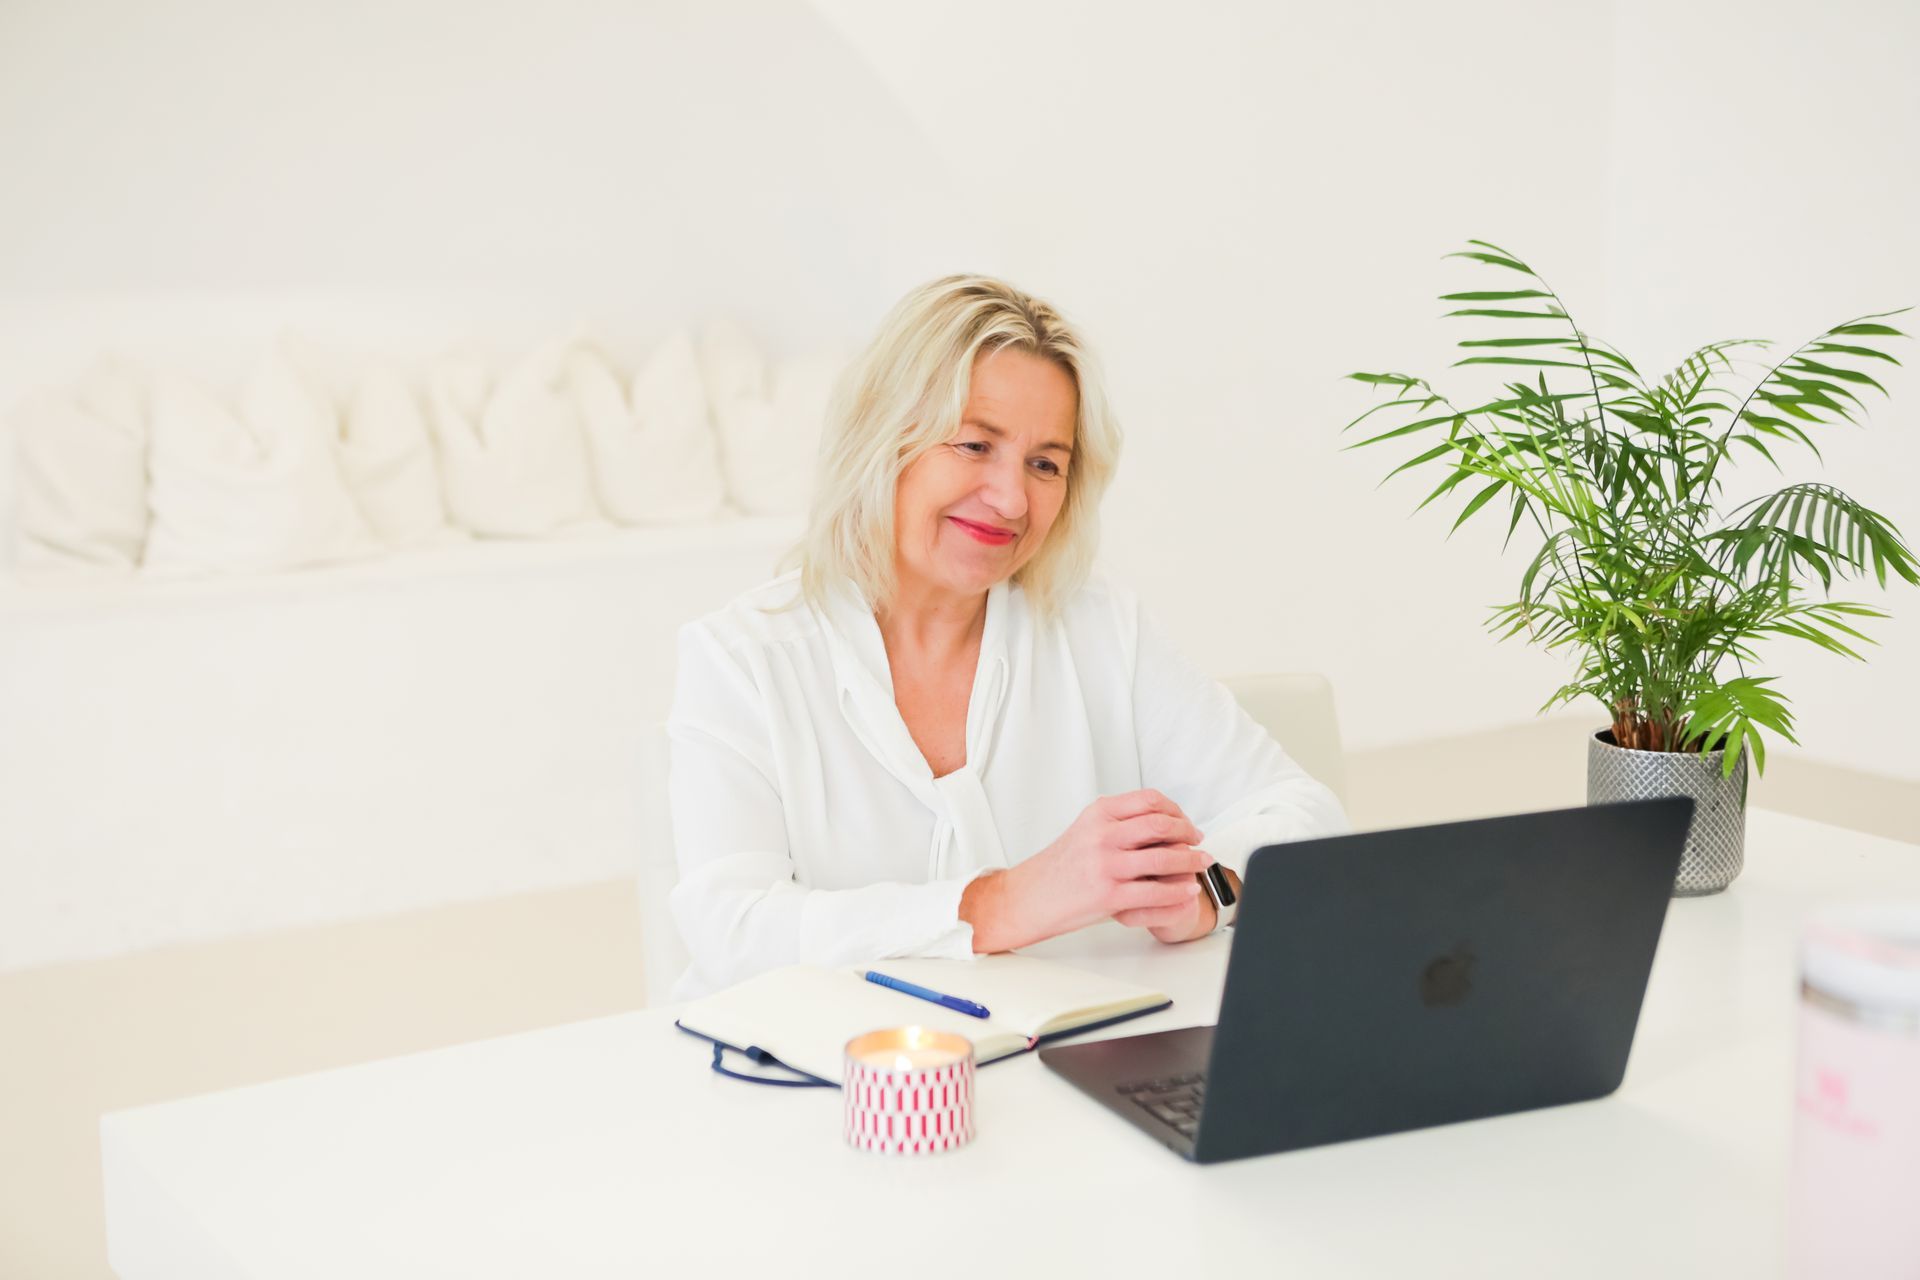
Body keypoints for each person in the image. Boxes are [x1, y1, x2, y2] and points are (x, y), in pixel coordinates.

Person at [666, 275, 1348, 998]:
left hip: (1064, 1072)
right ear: (882, 438)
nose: (1012, 498)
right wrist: (1004, 902)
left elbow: (1305, 814)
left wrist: (1210, 889)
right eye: (973, 445)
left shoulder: (1099, 628)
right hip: (828, 1092)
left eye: (1045, 463)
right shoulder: (741, 659)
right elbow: (731, 931)